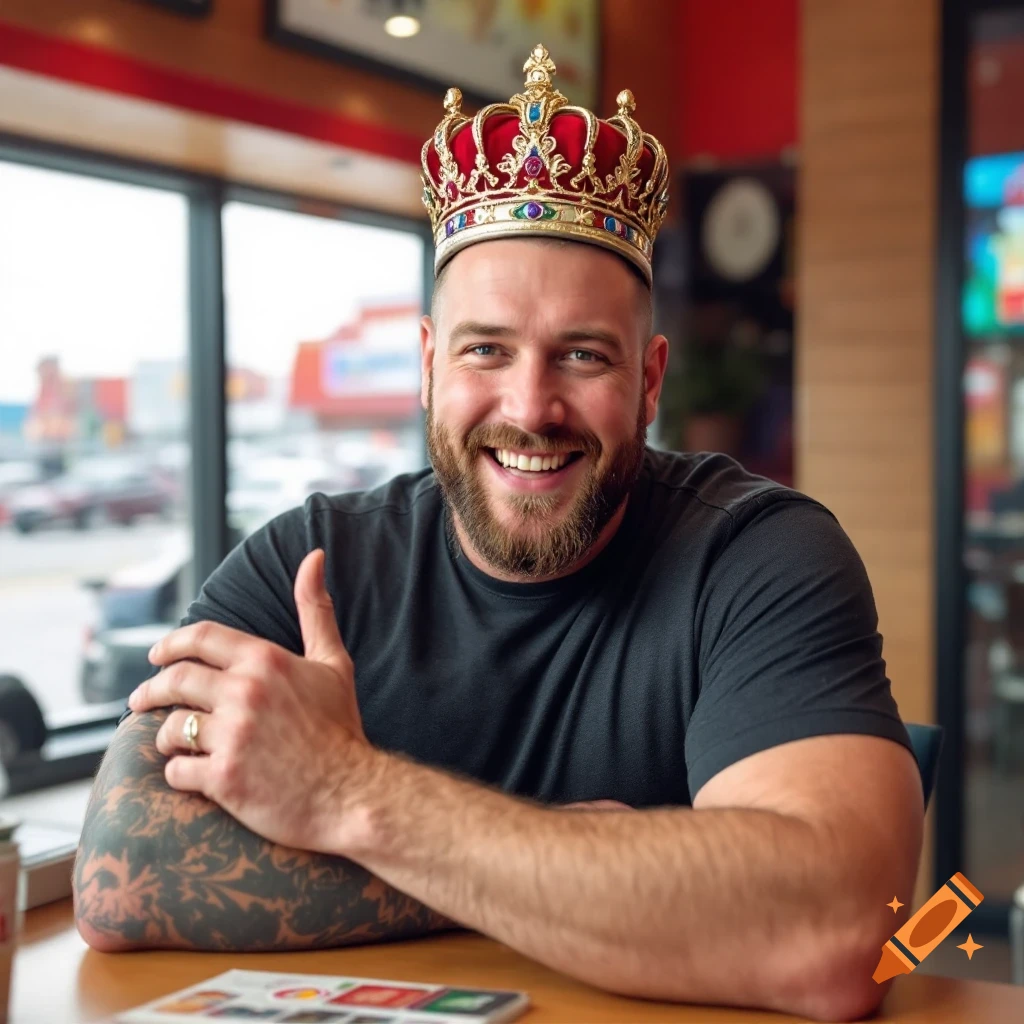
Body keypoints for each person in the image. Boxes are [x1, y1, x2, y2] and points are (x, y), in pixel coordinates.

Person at [73, 45, 923, 1023]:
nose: (531, 406)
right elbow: (121, 874)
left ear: (648, 380)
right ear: (431, 365)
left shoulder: (760, 556)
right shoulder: (306, 562)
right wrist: (562, 855)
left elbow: (852, 930)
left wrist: (346, 794)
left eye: (581, 355)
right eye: (487, 349)